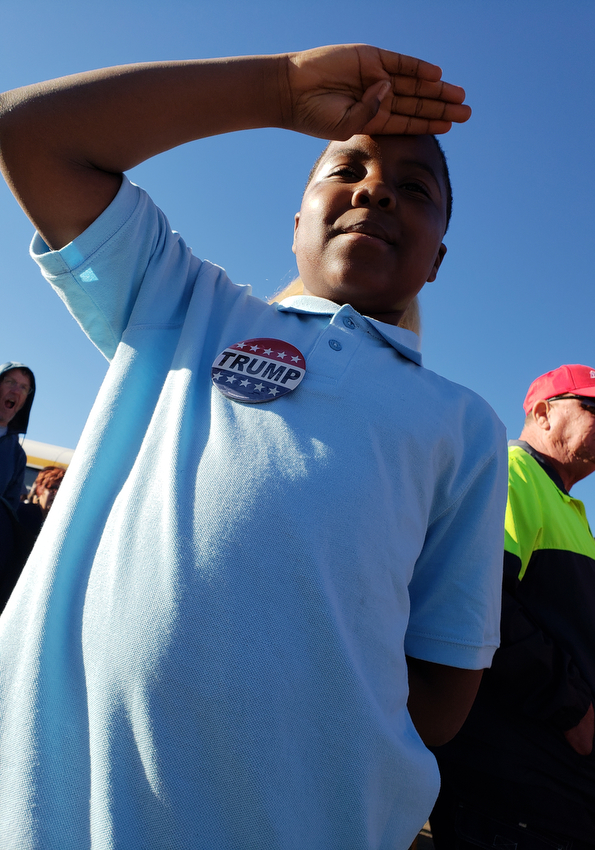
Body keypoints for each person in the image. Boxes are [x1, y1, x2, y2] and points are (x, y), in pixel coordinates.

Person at [0, 46, 508, 849]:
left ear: (438, 258)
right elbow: (28, 132)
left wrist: (280, 698)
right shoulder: (183, 304)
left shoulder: (465, 426)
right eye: (347, 170)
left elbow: (443, 693)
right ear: (296, 221)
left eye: (416, 189)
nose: (376, 189)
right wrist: (276, 89)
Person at [430, 364, 595, 850]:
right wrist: (572, 709)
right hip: (528, 809)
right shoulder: (512, 473)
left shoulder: (563, 502)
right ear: (543, 413)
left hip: (579, 810)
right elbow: (474, 597)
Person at [0, 362, 35, 510]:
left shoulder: (17, 456)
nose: (16, 391)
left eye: (24, 387)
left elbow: (8, 512)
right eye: (10, 382)